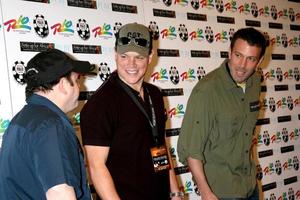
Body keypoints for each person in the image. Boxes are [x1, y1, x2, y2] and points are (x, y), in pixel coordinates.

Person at [80, 23, 183, 200]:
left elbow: (159, 146)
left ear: (150, 57)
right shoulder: (101, 103)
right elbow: (96, 166)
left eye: (139, 57)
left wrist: (174, 192)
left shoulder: (155, 95)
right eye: (124, 56)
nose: (131, 64)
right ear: (115, 55)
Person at [177, 27, 267, 200]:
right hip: (220, 192)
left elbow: (245, 134)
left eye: (251, 59)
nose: (242, 65)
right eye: (238, 55)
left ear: (260, 60)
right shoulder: (206, 90)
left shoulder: (255, 83)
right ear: (229, 52)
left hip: (249, 186)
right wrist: (206, 193)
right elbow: (191, 150)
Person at [0, 48, 96, 200]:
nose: (80, 87)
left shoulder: (19, 121)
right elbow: (60, 193)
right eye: (77, 80)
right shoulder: (51, 126)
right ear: (64, 84)